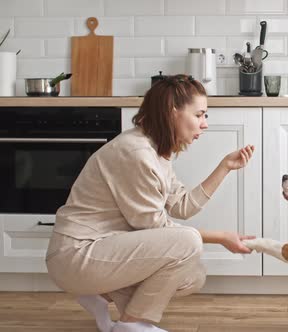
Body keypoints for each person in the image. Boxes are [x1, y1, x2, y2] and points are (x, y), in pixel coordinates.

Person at [45, 74, 255, 332]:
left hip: (101, 249)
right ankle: (132, 325)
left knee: (192, 276)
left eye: (205, 116)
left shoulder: (157, 152)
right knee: (188, 243)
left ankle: (100, 296)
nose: (204, 124)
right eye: (199, 115)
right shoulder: (136, 153)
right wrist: (220, 236)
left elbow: (182, 207)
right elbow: (153, 226)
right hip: (76, 255)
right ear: (172, 112)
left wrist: (225, 167)